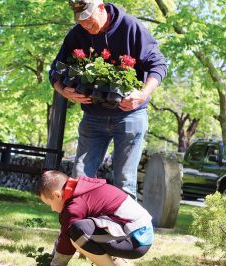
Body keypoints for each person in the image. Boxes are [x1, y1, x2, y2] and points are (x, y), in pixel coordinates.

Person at [49, 0, 167, 198]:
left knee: (124, 181)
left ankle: (124, 229)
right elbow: (55, 70)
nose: (85, 24)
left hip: (130, 116)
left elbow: (159, 64)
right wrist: (63, 90)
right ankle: (82, 227)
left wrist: (142, 94)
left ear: (101, 8)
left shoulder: (130, 26)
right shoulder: (77, 34)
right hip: (93, 118)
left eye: (88, 18)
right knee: (80, 177)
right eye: (80, 20)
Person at [37, 170, 153, 266]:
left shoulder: (74, 206)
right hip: (139, 234)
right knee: (80, 231)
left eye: (49, 204)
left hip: (135, 239)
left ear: (57, 195)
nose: (52, 209)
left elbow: (66, 240)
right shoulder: (83, 189)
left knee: (77, 232)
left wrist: (55, 263)